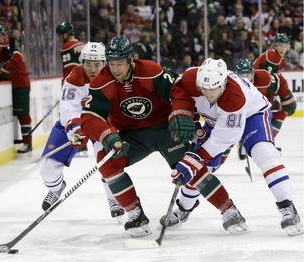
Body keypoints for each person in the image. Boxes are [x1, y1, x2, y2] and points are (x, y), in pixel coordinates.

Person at [81, 37, 248, 237]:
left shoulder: (150, 71)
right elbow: (89, 117)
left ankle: (229, 210)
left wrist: (180, 113)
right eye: (112, 64)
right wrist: (107, 135)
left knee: (192, 166)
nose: (115, 69)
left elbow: (177, 90)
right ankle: (135, 214)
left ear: (130, 60)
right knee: (106, 163)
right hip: (130, 136)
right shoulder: (101, 82)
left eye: (120, 64)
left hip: (164, 131)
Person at [164, 58, 302, 236]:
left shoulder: (235, 95)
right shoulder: (190, 79)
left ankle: (287, 207)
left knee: (265, 155)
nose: (207, 93)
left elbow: (226, 136)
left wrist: (199, 156)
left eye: (213, 88)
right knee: (199, 169)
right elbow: (180, 95)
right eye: (203, 88)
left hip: (253, 116)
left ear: (224, 83)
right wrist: (189, 120)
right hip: (216, 121)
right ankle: (184, 209)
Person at [39, 42, 124, 220]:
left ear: (105, 63)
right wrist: (76, 129)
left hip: (102, 124)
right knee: (48, 166)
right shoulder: (74, 79)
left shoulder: (114, 78)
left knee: (109, 162)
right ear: (81, 62)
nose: (92, 69)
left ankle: (114, 198)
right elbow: (69, 108)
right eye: (88, 64)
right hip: (75, 123)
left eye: (97, 64)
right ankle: (56, 189)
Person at [235, 58, 296, 153]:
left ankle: (266, 144)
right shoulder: (231, 84)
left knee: (277, 115)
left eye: (248, 74)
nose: (245, 78)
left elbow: (280, 81)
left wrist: (287, 98)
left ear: (253, 73)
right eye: (242, 75)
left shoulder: (264, 78)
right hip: (242, 111)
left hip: (262, 107)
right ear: (236, 74)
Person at [0, 26, 33, 154]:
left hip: (21, 88)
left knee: (24, 115)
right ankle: (26, 141)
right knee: (21, 115)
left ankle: (28, 143)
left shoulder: (15, 56)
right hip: (17, 87)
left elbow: (3, 74)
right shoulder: (11, 56)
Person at [56, 21, 87, 157]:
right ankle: (84, 145)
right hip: (87, 84)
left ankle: (78, 143)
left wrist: (66, 84)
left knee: (72, 112)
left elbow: (70, 68)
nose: (59, 38)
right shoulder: (82, 45)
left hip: (75, 84)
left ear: (66, 34)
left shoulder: (66, 46)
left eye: (60, 35)